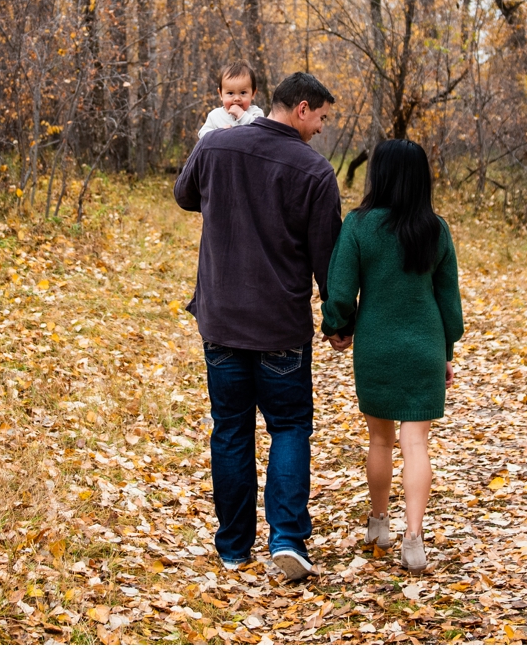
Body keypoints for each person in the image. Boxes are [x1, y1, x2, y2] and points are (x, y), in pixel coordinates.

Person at [174, 71, 342, 582]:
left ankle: (233, 547)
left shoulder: (216, 147)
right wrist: (339, 320)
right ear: (302, 108)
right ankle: (287, 539)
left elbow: (184, 195)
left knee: (230, 429)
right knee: (289, 426)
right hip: (279, 327)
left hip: (222, 320)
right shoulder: (314, 171)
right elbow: (327, 259)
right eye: (322, 118)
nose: (321, 129)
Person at [321, 138, 463, 574]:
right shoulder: (435, 230)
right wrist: (445, 352)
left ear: (377, 174)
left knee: (380, 440)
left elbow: (341, 292)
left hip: (376, 347)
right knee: (416, 444)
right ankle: (414, 540)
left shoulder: (359, 226)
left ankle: (379, 525)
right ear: (422, 179)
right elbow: (450, 307)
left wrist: (337, 326)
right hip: (424, 347)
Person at [197, 62, 266, 139]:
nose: (237, 98)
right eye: (230, 93)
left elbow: (261, 132)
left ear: (253, 93)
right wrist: (220, 132)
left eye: (243, 93)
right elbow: (202, 134)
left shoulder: (255, 113)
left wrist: (242, 115)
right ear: (220, 94)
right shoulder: (215, 116)